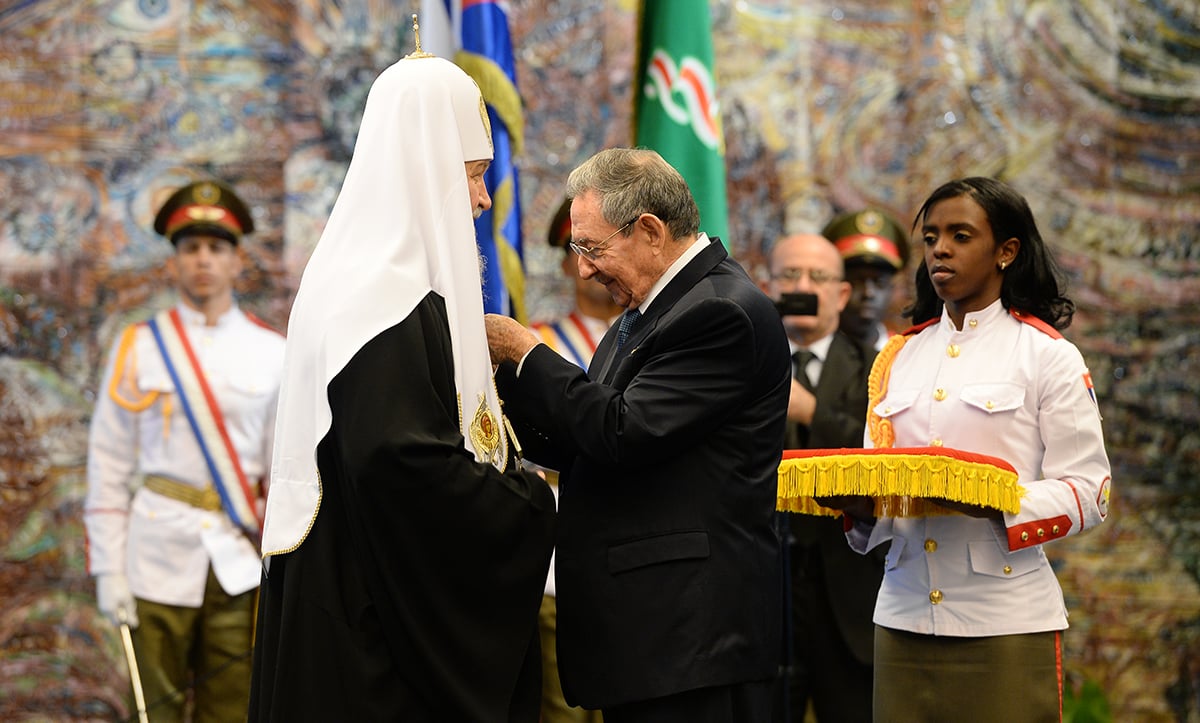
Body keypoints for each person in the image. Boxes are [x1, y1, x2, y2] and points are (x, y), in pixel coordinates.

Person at [246, 49, 556, 722]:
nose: (482, 200)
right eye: (474, 176)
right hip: (369, 644)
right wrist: (528, 501)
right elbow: (401, 464)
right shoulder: (378, 298)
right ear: (426, 174)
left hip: (363, 606)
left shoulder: (374, 287)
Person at [486, 147, 790, 723]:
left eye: (592, 249)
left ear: (650, 231)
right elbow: (587, 440)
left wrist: (526, 353)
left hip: (689, 640)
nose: (583, 270)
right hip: (650, 637)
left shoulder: (720, 312)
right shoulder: (653, 309)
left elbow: (623, 431)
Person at [830, 177, 1112, 722]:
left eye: (961, 235)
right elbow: (884, 485)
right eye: (931, 236)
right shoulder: (897, 356)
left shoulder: (1046, 355)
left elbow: (1091, 492)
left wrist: (996, 502)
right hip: (902, 615)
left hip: (1004, 620)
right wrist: (862, 510)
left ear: (1007, 251)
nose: (941, 248)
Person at [84, 179, 285, 721]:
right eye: (190, 248)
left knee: (231, 709)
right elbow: (107, 463)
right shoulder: (140, 346)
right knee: (156, 711)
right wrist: (108, 569)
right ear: (173, 262)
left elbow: (281, 472)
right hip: (154, 557)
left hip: (235, 561)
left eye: (216, 248)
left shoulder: (273, 354)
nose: (203, 260)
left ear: (237, 260)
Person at [761, 233, 882, 723]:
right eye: (790, 275)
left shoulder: (878, 370)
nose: (803, 286)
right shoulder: (738, 364)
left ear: (843, 294)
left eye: (818, 277)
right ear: (769, 286)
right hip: (760, 592)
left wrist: (811, 411)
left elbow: (884, 455)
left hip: (846, 593)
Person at [530, 198, 619, 723]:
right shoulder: (533, 343)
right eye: (579, 248)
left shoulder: (657, 342)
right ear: (566, 262)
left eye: (601, 246)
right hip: (555, 559)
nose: (591, 262)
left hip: (632, 550)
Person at [821, 208, 910, 352]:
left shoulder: (905, 355)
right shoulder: (811, 354)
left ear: (892, 290)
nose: (868, 293)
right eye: (856, 282)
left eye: (879, 283)